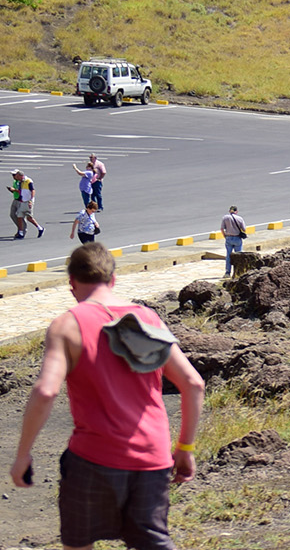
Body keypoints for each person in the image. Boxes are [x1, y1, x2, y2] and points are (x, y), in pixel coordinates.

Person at [8, 243, 206, 550]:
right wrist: (185, 447)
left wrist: (23, 454)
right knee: (152, 542)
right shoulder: (147, 319)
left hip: (93, 459)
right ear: (113, 279)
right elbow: (193, 383)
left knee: (79, 543)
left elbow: (46, 391)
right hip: (152, 458)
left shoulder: (67, 325)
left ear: (71, 282)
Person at [9, 169, 43, 239]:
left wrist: (30, 201)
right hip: (22, 201)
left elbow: (32, 190)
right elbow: (21, 192)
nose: (16, 178)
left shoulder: (28, 181)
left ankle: (40, 228)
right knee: (19, 216)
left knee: (29, 218)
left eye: (17, 176)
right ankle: (21, 233)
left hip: (28, 202)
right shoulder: (20, 182)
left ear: (21, 176)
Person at [220, 206, 246, 277]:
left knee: (228, 255)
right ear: (236, 211)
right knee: (239, 256)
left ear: (229, 211)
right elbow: (244, 229)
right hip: (237, 238)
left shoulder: (225, 218)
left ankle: (227, 272)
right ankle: (238, 272)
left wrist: (225, 236)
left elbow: (222, 229)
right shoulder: (240, 218)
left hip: (228, 238)